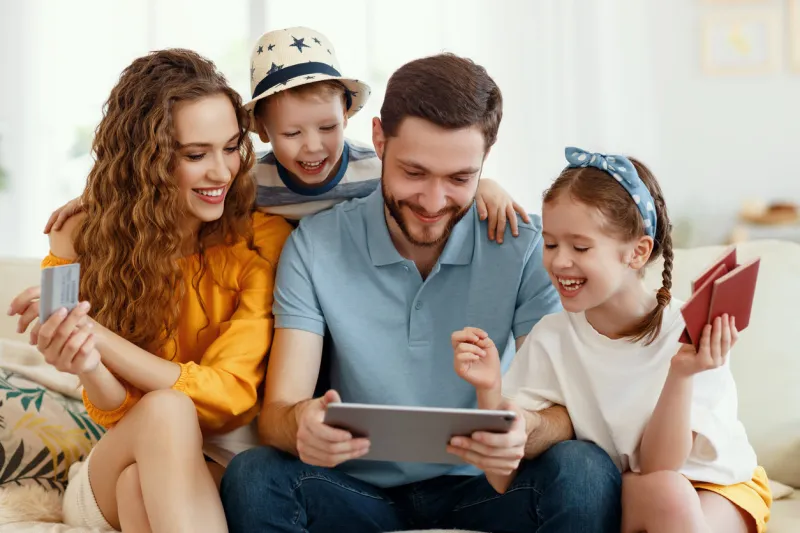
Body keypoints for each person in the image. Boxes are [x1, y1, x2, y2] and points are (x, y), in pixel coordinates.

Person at [220, 54, 622, 533]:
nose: (433, 203)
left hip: (487, 487)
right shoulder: (314, 246)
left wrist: (528, 430)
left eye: (459, 179)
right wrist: (302, 424)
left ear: (483, 163)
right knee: (253, 476)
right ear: (378, 141)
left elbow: (566, 411)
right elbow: (278, 415)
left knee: (584, 470)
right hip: (353, 491)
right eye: (414, 173)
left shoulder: (527, 248)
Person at [7, 49, 293, 532]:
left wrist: (97, 338)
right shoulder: (76, 236)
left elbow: (232, 395)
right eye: (196, 155)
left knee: (142, 488)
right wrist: (87, 360)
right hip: (111, 463)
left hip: (208, 468)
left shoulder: (261, 238)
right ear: (148, 161)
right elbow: (111, 408)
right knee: (163, 412)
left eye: (231, 147)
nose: (222, 172)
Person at [453, 147, 773, 533]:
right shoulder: (551, 338)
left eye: (580, 247)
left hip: (718, 486)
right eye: (551, 244)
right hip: (630, 486)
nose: (558, 262)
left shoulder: (689, 330)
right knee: (653, 492)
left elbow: (662, 465)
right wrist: (489, 389)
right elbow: (504, 481)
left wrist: (681, 374)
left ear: (637, 252)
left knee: (668, 492)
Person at [45, 27, 528, 243]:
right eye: (292, 132)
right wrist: (95, 195)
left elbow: (436, 178)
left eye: (327, 128)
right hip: (283, 299)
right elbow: (163, 180)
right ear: (262, 130)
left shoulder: (377, 168)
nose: (313, 146)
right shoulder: (249, 179)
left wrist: (486, 185)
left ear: (349, 116)